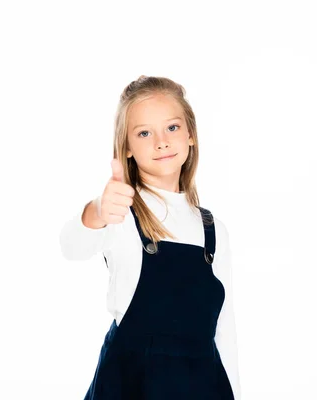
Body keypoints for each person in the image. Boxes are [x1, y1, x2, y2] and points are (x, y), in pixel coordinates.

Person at [60, 76, 240, 399]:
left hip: (201, 387)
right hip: (130, 387)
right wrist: (97, 211)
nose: (161, 141)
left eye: (172, 128)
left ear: (191, 135)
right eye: (144, 132)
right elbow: (71, 246)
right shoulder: (121, 213)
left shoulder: (214, 231)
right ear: (127, 146)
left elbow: (224, 332)